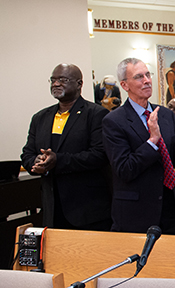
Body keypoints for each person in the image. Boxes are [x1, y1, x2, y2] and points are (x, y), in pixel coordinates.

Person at [102, 58, 175, 235]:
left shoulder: (165, 114)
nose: (147, 80)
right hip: (137, 214)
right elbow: (125, 169)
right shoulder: (114, 121)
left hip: (170, 210)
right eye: (139, 77)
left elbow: (174, 161)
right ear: (125, 85)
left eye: (148, 75)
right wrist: (152, 140)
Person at [21, 64, 112, 231]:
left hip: (87, 210)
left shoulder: (96, 114)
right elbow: (27, 153)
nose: (56, 84)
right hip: (52, 208)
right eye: (53, 80)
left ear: (79, 84)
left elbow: (99, 156)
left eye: (63, 80)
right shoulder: (40, 118)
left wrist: (58, 161)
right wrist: (36, 162)